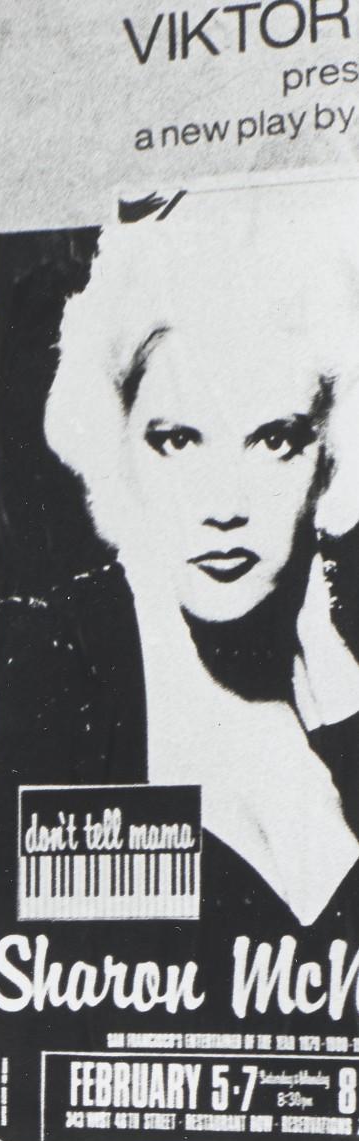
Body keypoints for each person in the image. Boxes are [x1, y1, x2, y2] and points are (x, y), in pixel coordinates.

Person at [40, 180, 359, 923]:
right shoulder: (62, 694)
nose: (222, 507)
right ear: (117, 441)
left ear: (329, 460)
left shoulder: (338, 702)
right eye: (179, 439)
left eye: (274, 439)